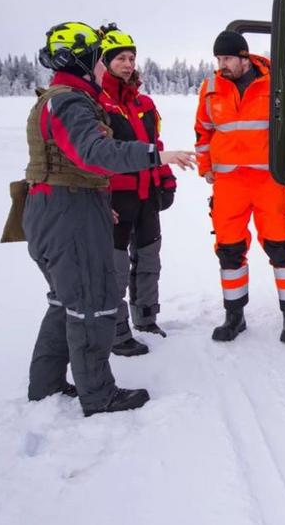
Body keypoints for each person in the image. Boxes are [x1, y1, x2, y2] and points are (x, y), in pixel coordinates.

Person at [24, 21, 195, 416]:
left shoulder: (62, 97)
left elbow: (67, 163)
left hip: (63, 207)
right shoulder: (70, 102)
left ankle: (46, 386)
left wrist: (96, 203)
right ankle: (99, 395)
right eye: (100, 58)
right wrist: (156, 155)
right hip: (68, 213)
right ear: (83, 59)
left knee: (65, 301)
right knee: (92, 303)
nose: (105, 66)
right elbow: (94, 152)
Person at [194, 30, 285, 344]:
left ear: (244, 58)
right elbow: (203, 131)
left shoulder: (275, 84)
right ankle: (234, 317)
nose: (222, 64)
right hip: (229, 184)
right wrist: (205, 166)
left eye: (227, 58)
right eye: (218, 58)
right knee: (229, 251)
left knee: (280, 248)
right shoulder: (210, 88)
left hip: (269, 181)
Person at [96, 25, 176, 357]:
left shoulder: (144, 103)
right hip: (116, 198)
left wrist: (166, 178)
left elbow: (155, 145)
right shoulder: (96, 103)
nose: (128, 65)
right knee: (113, 269)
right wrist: (99, 199)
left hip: (147, 195)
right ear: (105, 62)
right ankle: (116, 332)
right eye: (120, 59)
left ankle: (146, 318)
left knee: (148, 258)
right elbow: (93, 156)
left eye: (131, 58)